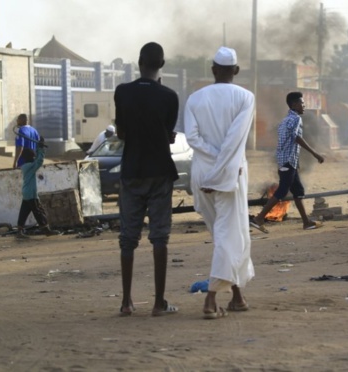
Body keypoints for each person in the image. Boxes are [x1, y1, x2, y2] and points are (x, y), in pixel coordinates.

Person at [184, 46, 255, 320]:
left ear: (212, 69)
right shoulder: (246, 98)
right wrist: (221, 168)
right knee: (230, 234)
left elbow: (191, 138)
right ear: (236, 71)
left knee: (223, 235)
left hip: (202, 174)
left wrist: (212, 163)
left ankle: (237, 296)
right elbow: (234, 141)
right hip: (228, 175)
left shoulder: (194, 99)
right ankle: (211, 300)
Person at [114, 42, 179, 317]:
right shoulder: (170, 96)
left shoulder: (122, 92)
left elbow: (122, 133)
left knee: (128, 238)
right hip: (160, 172)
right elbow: (167, 133)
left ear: (138, 62)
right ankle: (158, 303)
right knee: (159, 237)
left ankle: (126, 302)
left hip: (131, 172)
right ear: (161, 65)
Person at [250, 92, 325, 233]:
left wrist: (296, 164)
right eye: (302, 103)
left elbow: (288, 142)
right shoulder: (295, 119)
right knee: (282, 191)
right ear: (294, 104)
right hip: (287, 162)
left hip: (289, 162)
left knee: (298, 191)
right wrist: (315, 153)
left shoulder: (285, 120)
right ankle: (259, 218)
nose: (304, 106)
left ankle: (306, 222)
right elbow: (297, 138)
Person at [17, 141, 60, 239]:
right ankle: (46, 230)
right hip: (31, 194)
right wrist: (41, 150)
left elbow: (36, 160)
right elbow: (39, 161)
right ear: (30, 157)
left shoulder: (25, 166)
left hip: (26, 192)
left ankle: (19, 231)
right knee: (38, 211)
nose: (34, 158)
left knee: (24, 212)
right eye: (33, 156)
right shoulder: (31, 167)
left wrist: (38, 147)